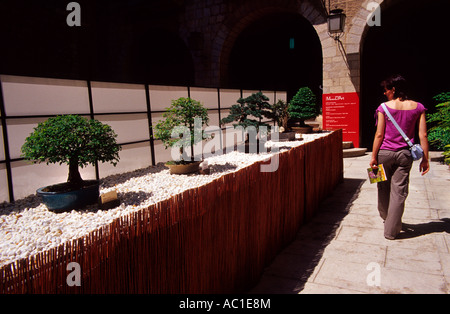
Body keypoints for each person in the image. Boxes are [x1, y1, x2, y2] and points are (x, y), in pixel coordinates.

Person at [370, 74, 430, 240]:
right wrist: (425, 159)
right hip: (404, 155)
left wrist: (373, 156)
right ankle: (391, 230)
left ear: (393, 89)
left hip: (383, 154)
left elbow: (379, 135)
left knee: (381, 186)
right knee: (399, 192)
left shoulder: (383, 107)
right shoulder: (418, 107)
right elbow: (423, 134)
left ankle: (386, 217)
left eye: (386, 89)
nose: (384, 93)